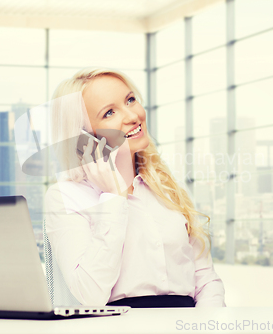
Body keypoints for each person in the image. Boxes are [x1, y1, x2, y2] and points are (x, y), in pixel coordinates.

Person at [44, 68, 226, 308]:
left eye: (130, 100)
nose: (132, 115)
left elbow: (205, 281)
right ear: (84, 138)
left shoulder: (166, 188)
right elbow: (89, 294)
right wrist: (113, 198)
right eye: (109, 112)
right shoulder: (66, 196)